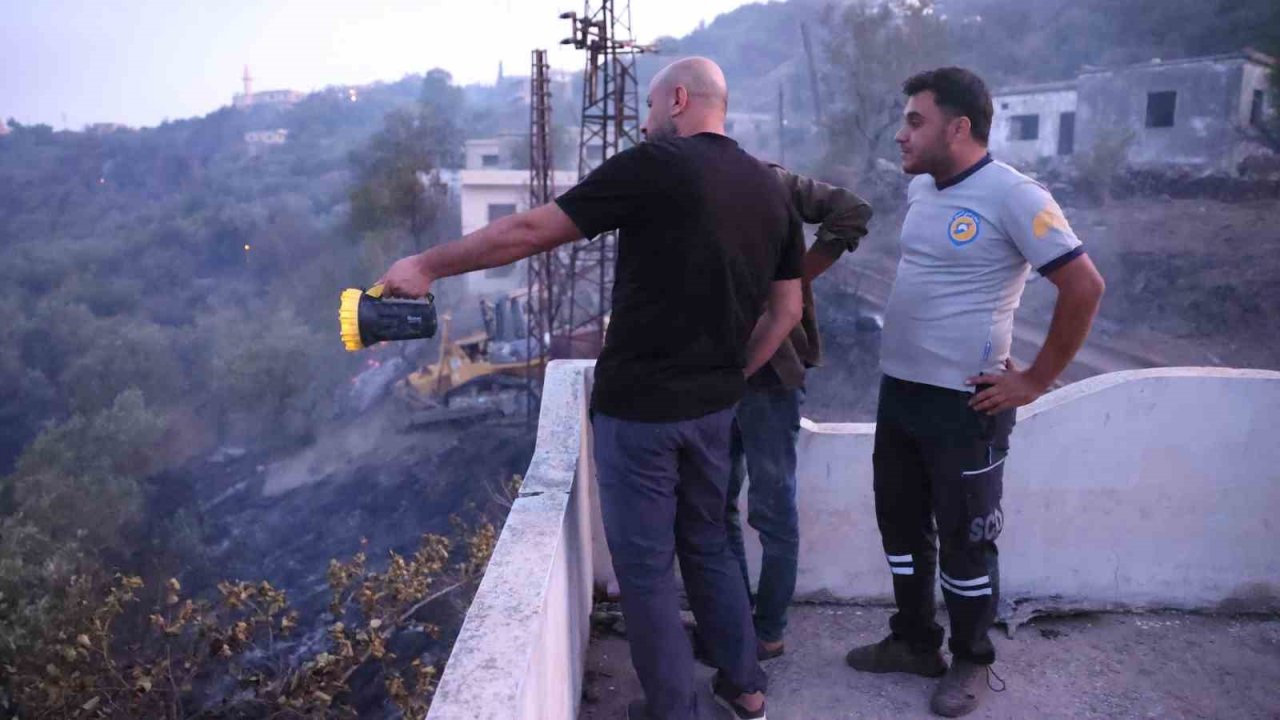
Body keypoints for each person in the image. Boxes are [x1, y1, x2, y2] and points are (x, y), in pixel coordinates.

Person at [377, 57, 804, 720]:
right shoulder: (770, 187)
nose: (645, 123)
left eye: (651, 109)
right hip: (716, 409)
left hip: (641, 413)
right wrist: (734, 376)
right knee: (710, 546)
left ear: (678, 99)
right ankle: (746, 690)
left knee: (647, 571)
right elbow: (788, 311)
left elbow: (529, 231)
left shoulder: (657, 164)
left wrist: (427, 265)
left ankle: (674, 711)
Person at [843, 67, 1105, 718]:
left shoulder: (1015, 195)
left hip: (964, 406)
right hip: (900, 394)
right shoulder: (923, 190)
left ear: (958, 127)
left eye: (915, 121)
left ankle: (971, 658)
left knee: (966, 540)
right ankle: (913, 641)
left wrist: (1033, 379)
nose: (901, 134)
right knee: (901, 530)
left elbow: (1084, 285)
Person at [723, 168, 872, 659]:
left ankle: (767, 631)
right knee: (716, 507)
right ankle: (734, 624)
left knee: (771, 511)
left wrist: (792, 279)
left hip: (770, 377)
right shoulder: (685, 183)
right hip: (710, 374)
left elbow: (852, 210)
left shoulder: (765, 180)